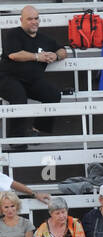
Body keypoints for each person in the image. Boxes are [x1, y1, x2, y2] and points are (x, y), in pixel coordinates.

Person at [0, 6, 68, 143]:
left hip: (31, 81)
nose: (34, 22)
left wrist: (56, 55)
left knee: (53, 94)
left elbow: (63, 50)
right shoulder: (13, 34)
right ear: (21, 20)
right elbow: (14, 55)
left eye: (36, 18)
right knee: (19, 96)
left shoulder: (45, 39)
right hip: (7, 78)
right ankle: (16, 141)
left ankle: (37, 131)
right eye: (29, 19)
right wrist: (37, 57)